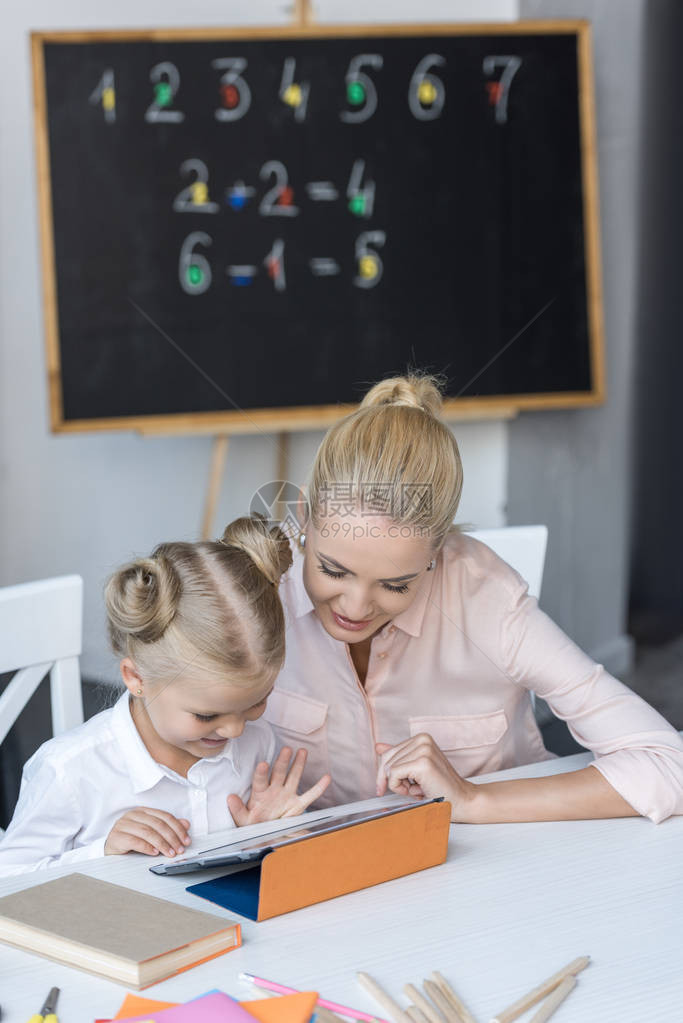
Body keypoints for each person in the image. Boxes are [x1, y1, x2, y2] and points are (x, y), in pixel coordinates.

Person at [264, 374, 683, 824]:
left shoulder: (489, 600)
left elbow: (668, 765)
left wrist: (472, 801)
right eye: (333, 571)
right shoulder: (260, 581)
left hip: (499, 869)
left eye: (395, 584)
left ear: (436, 550)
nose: (356, 606)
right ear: (304, 515)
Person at [0, 515, 330, 875]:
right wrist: (102, 853)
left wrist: (258, 835)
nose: (236, 730)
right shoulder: (71, 773)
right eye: (207, 716)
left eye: (255, 704)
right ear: (136, 677)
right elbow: (10, 879)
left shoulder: (258, 745)